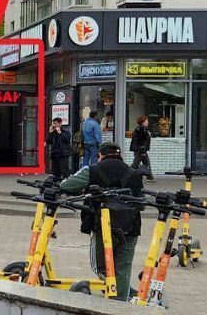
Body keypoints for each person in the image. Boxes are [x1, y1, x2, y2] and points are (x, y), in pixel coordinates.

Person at [59, 141, 144, 301]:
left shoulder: (92, 170)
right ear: (120, 155)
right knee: (123, 268)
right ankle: (121, 301)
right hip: (130, 228)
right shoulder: (134, 173)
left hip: (103, 228)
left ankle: (115, 290)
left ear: (100, 155)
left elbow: (66, 185)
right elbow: (142, 202)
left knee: (99, 266)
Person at [129, 116, 154, 181]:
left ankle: (150, 177)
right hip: (140, 150)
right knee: (136, 164)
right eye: (146, 121)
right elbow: (140, 141)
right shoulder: (141, 130)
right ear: (142, 122)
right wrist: (143, 151)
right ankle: (128, 174)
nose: (147, 122)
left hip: (141, 149)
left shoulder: (143, 129)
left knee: (146, 163)